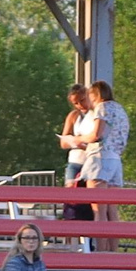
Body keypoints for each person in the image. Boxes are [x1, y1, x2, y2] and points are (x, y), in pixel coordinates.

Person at [81, 81, 128, 198]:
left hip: (100, 157)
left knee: (98, 206)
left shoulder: (102, 107)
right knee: (112, 207)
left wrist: (78, 139)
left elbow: (96, 135)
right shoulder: (119, 109)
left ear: (95, 94)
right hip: (115, 158)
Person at [57, 85, 96, 220]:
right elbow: (63, 142)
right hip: (75, 160)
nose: (80, 105)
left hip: (91, 161)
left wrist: (85, 144)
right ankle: (70, 227)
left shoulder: (96, 114)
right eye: (76, 103)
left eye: (82, 100)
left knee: (91, 199)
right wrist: (75, 142)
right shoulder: (73, 116)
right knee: (71, 196)